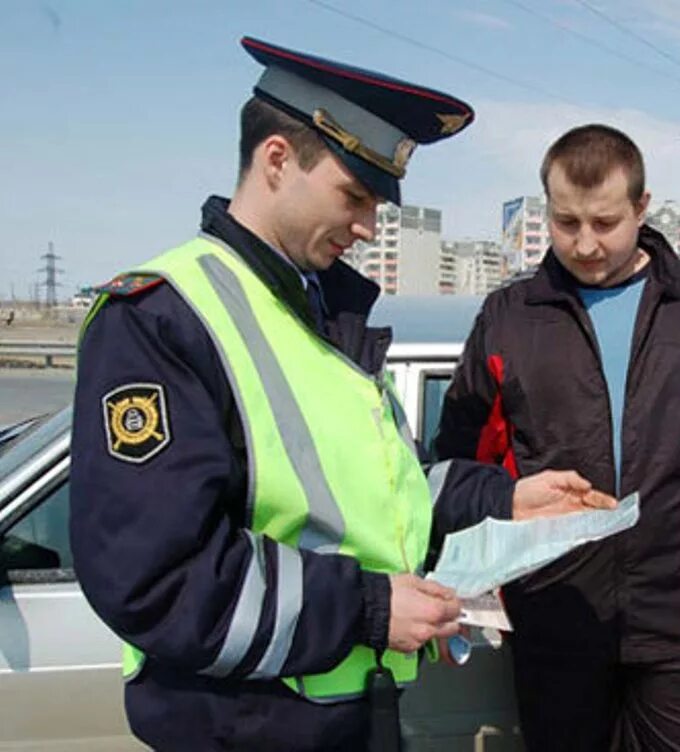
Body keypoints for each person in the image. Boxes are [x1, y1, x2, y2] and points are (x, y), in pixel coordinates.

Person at [69, 39, 612, 752]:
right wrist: (367, 606)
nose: (366, 227)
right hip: (243, 724)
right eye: (354, 196)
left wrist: (508, 499)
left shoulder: (315, 312)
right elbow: (157, 575)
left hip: (348, 713)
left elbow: (385, 490)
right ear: (275, 161)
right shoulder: (162, 317)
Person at [433, 124, 680, 751]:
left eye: (605, 222)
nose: (586, 243)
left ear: (642, 209)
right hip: (554, 609)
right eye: (566, 223)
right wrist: (456, 567)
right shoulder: (512, 319)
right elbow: (462, 461)